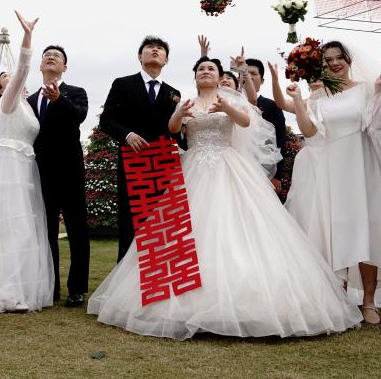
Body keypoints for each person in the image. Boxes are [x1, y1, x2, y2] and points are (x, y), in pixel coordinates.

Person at [88, 56, 360, 339]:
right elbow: (173, 130)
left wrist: (227, 107)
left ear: (219, 76)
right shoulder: (187, 102)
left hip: (229, 166)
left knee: (238, 227)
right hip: (193, 167)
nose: (205, 72)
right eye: (201, 69)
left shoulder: (231, 99)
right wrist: (180, 113)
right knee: (185, 231)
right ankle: (178, 295)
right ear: (195, 76)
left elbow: (245, 122)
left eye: (211, 69)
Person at [272, 40, 381, 325]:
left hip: (362, 163)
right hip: (332, 166)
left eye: (339, 58)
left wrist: (379, 90)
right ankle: (342, 296)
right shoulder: (318, 95)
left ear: (349, 60)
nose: (335, 63)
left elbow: (376, 122)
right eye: (328, 60)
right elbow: (308, 130)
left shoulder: (365, 87)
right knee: (338, 230)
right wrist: (295, 98)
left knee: (367, 229)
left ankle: (369, 301)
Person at [0, 11, 55, 311]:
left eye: (12, 79)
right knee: (10, 228)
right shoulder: (7, 104)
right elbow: (22, 70)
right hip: (7, 169)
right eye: (5, 79)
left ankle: (21, 286)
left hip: (26, 169)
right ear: (0, 90)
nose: (13, 80)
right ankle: (4, 289)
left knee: (24, 230)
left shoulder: (27, 108)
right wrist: (27, 38)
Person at [99, 37, 181, 261]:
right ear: (139, 56)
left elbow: (175, 132)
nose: (155, 50)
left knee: (161, 224)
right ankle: (125, 277)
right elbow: (106, 120)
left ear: (166, 60)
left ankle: (160, 274)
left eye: (160, 48)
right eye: (150, 47)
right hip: (132, 162)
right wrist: (127, 135)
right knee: (130, 222)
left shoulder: (174, 93)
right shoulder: (123, 84)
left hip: (163, 164)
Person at [29, 45, 89, 306]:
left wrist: (58, 99)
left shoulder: (76, 92)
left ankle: (77, 288)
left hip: (69, 170)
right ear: (40, 65)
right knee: (46, 230)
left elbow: (80, 116)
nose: (51, 57)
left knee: (76, 230)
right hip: (40, 172)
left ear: (64, 67)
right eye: (47, 55)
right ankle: (50, 286)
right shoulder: (30, 100)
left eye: (57, 56)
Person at [244, 58, 287, 194]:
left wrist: (276, 175)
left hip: (264, 171)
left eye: (254, 73)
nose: (249, 76)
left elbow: (280, 139)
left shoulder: (271, 106)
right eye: (245, 73)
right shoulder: (227, 104)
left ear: (262, 80)